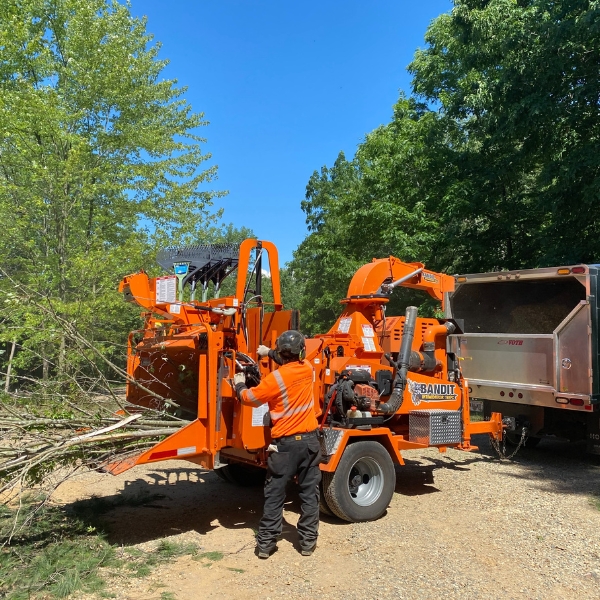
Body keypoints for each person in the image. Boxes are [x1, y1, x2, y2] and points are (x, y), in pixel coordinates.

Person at [233, 330, 321, 559]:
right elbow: (290, 360)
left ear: (281, 353)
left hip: (285, 447)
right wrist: (268, 353)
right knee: (309, 494)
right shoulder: (308, 369)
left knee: (275, 495)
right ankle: (308, 543)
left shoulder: (275, 379)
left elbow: (249, 399)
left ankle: (265, 545)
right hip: (310, 442)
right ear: (301, 352)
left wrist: (239, 384)